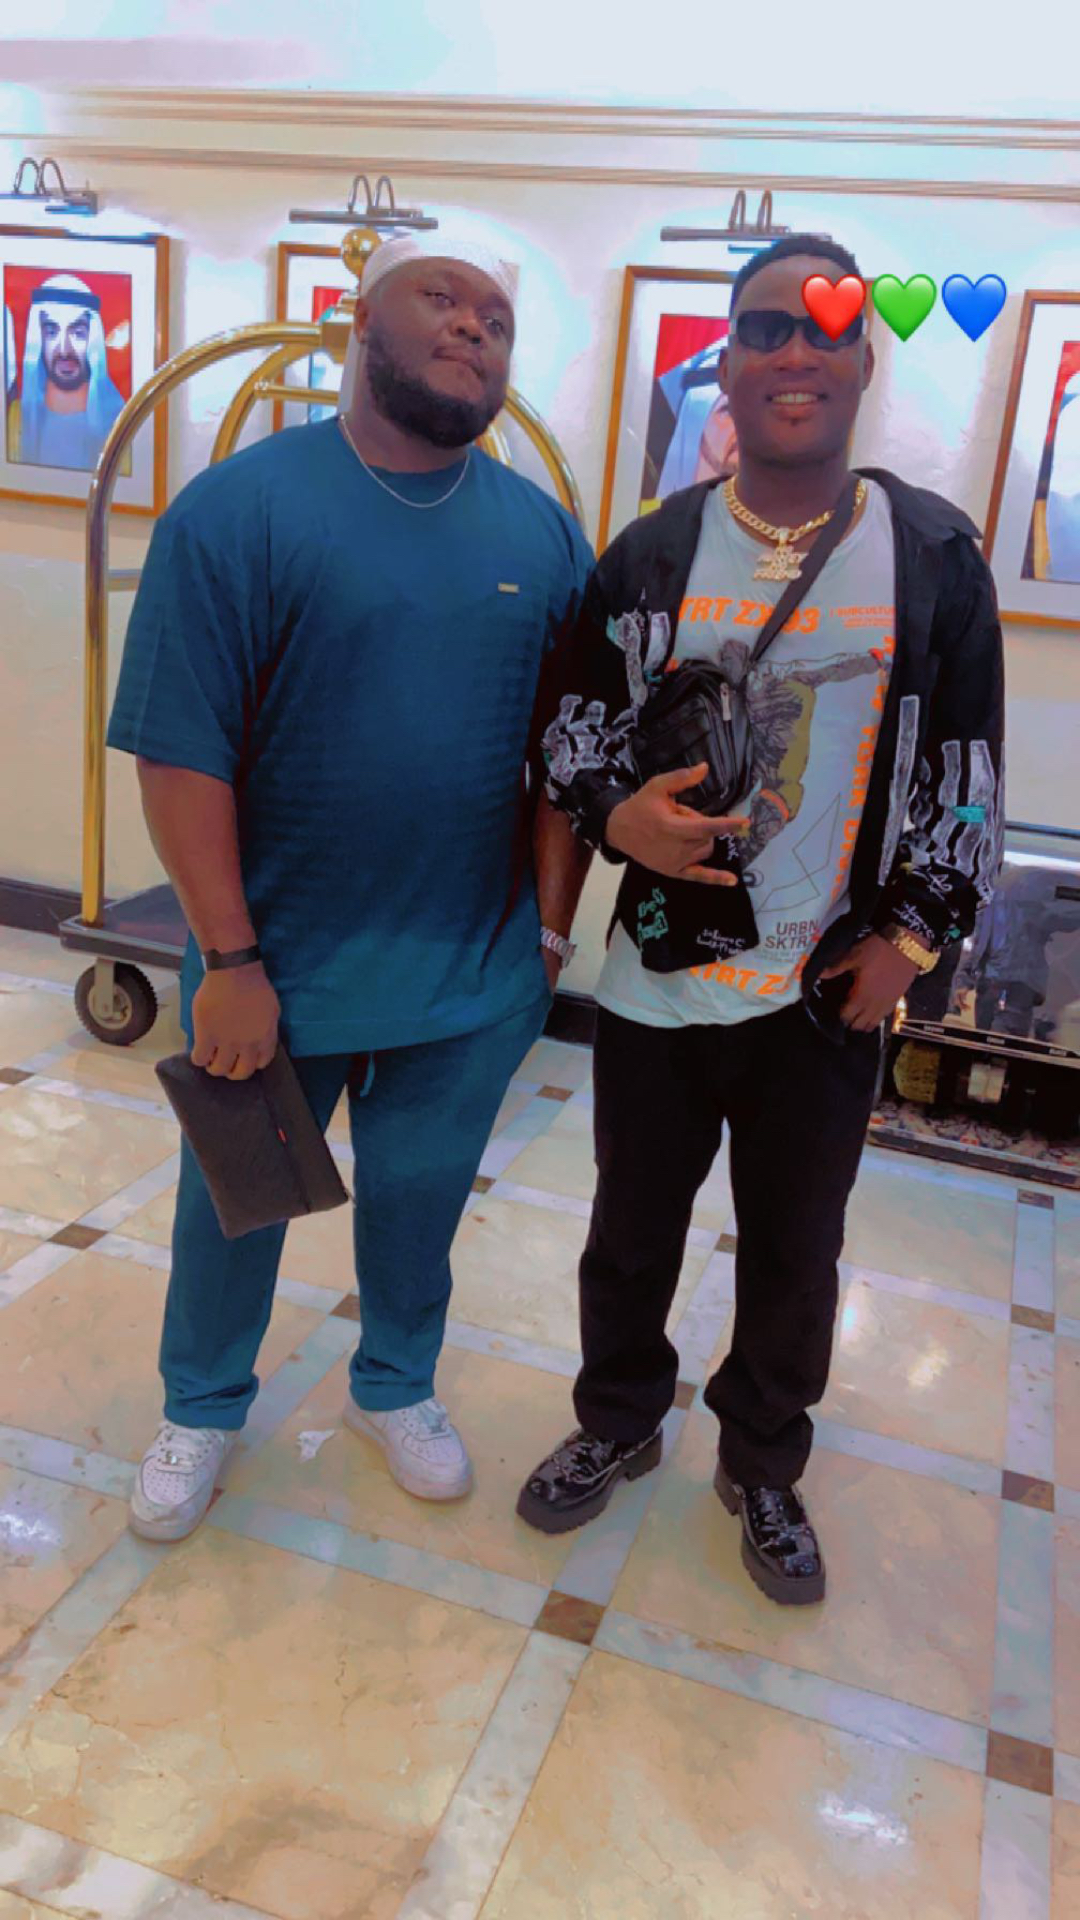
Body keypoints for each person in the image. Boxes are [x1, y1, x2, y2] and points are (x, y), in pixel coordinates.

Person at [517, 233, 1005, 1606]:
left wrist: (910, 940)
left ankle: (764, 1460)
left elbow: (969, 774)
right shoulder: (653, 554)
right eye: (767, 328)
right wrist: (617, 819)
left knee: (798, 1252)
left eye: (827, 329)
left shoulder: (931, 556)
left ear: (864, 362)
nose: (798, 351)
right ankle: (619, 1419)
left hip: (822, 993)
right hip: (660, 981)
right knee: (630, 1231)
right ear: (726, 363)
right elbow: (568, 734)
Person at [107, 232, 594, 1542]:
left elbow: (570, 757)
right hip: (275, 967)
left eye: (496, 316)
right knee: (234, 1203)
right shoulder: (240, 512)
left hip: (469, 969)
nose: (473, 327)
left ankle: (395, 1385)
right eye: (441, 298)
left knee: (421, 1202)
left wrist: (548, 938)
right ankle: (203, 1406)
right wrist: (230, 959)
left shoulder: (543, 536)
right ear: (356, 322)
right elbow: (179, 753)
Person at [12, 274, 125, 470]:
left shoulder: (122, 421)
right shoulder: (15, 419)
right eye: (51, 332)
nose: (64, 350)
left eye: (78, 333)